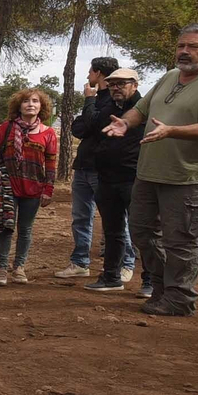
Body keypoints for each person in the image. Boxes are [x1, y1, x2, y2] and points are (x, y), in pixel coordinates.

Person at [105, 23, 198, 316]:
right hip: (150, 171)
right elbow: (141, 109)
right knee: (140, 231)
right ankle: (164, 288)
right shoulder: (168, 77)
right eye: (181, 46)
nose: (184, 51)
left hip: (191, 176)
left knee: (181, 240)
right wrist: (126, 122)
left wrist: (172, 131)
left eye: (193, 46)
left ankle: (180, 298)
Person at [57, 56, 134, 282]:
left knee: (116, 220)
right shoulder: (98, 100)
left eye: (90, 71)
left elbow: (92, 124)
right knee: (81, 217)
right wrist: (89, 117)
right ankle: (80, 262)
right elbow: (79, 129)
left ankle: (126, 264)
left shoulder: (113, 101)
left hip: (103, 170)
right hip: (82, 167)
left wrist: (89, 101)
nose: (88, 76)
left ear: (98, 73)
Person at [82, 69, 147, 294]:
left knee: (142, 232)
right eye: (112, 85)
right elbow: (88, 131)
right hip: (107, 179)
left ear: (135, 85)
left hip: (135, 179)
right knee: (112, 231)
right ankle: (111, 277)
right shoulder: (106, 110)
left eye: (121, 83)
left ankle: (150, 282)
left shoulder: (144, 110)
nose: (116, 88)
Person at [0, 88, 59, 285]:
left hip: (34, 188)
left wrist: (48, 189)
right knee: (6, 227)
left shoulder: (48, 133)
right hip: (8, 186)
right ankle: (1, 268)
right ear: (18, 106)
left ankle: (19, 267)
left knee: (25, 229)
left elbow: (51, 164)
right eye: (26, 101)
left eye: (35, 101)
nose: (31, 104)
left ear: (41, 107)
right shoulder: (6, 128)